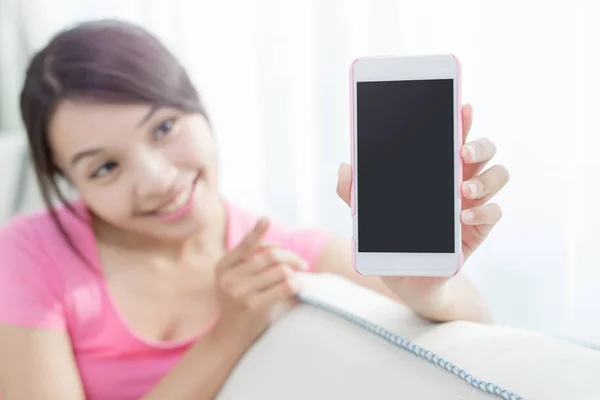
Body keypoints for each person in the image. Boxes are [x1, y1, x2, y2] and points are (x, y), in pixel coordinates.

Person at [0, 19, 509, 400]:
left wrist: (426, 285)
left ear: (197, 105)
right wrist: (228, 334)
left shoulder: (283, 255)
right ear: (70, 180)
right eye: (105, 168)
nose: (157, 181)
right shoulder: (28, 253)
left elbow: (476, 320)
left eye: (163, 128)